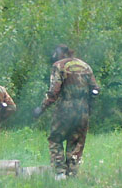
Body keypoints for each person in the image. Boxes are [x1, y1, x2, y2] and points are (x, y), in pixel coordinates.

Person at [33, 44, 99, 179]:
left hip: (64, 111)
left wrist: (41, 108)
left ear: (61, 53)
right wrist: (88, 108)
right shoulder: (85, 66)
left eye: (55, 53)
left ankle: (60, 173)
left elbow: (54, 92)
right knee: (75, 143)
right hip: (82, 111)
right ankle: (72, 175)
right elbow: (95, 89)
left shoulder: (59, 66)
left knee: (55, 139)